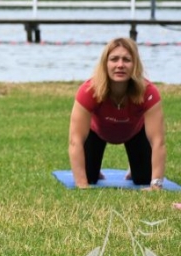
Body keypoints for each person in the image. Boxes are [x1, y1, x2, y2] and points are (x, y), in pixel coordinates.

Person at [68, 37, 166, 190]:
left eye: (126, 60)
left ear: (135, 65)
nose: (120, 65)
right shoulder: (88, 91)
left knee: (143, 178)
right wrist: (82, 185)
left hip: (135, 132)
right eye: (114, 59)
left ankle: (134, 168)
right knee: (89, 178)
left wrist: (156, 185)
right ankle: (94, 168)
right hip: (97, 133)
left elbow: (158, 142)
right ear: (105, 64)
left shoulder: (149, 92)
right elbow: (75, 141)